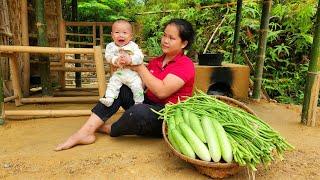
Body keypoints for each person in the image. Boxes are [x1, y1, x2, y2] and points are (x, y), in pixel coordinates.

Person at [55, 18, 195, 151]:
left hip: (169, 115)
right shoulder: (155, 62)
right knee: (121, 87)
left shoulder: (186, 64)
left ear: (184, 43)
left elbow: (162, 91)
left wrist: (139, 67)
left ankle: (108, 128)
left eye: (171, 38)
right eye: (164, 35)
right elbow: (143, 85)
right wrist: (123, 69)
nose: (165, 40)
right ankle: (86, 131)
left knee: (139, 112)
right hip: (149, 103)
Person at [99, 19, 144, 107]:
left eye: (124, 33)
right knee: (112, 83)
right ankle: (109, 99)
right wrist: (115, 60)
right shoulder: (110, 46)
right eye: (117, 32)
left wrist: (130, 59)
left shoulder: (133, 46)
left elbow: (140, 57)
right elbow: (108, 56)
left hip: (132, 74)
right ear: (112, 35)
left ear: (130, 36)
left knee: (137, 86)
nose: (121, 35)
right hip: (119, 73)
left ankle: (139, 103)